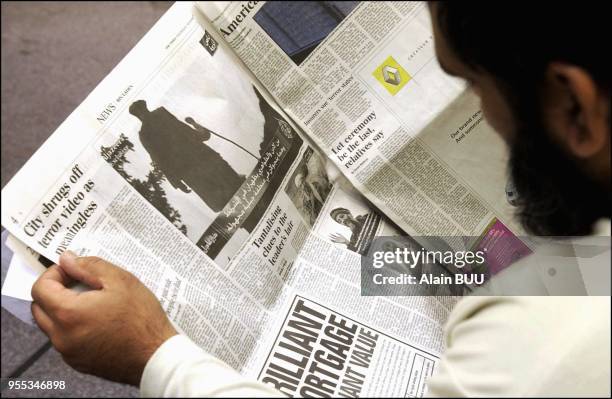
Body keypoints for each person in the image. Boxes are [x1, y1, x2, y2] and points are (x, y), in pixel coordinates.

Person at [31, 2, 610, 397]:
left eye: (473, 86)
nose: (482, 114)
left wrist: (155, 354)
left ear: (575, 107)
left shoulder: (546, 335)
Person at [129, 100, 245, 213]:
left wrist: (201, 134)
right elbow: (159, 160)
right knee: (225, 202)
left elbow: (181, 128)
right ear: (137, 116)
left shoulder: (160, 113)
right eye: (139, 113)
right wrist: (176, 182)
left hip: (203, 158)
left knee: (236, 187)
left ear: (146, 107)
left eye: (142, 110)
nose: (142, 114)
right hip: (190, 170)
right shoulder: (144, 133)